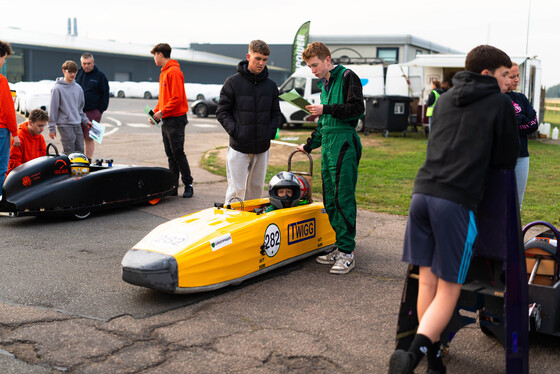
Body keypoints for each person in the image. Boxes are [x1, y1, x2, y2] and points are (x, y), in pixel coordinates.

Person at [388, 45, 519, 374]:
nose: (508, 81)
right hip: (455, 202)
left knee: (427, 285)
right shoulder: (500, 103)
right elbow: (506, 158)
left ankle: (434, 362)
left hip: (422, 194)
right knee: (449, 289)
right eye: (505, 75)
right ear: (487, 74)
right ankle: (413, 357)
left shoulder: (444, 98)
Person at [296, 41, 364, 275]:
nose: (313, 70)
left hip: (344, 142)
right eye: (310, 67)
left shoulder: (347, 76)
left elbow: (356, 109)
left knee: (342, 196)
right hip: (328, 145)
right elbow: (324, 124)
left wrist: (326, 109)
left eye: (315, 65)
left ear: (327, 59)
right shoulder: (324, 84)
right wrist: (308, 145)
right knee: (330, 199)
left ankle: (348, 253)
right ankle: (340, 245)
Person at [216, 40, 281, 205]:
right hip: (239, 147)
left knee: (256, 189)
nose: (261, 63)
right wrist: (237, 131)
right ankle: (230, 223)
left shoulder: (271, 86)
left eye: (265, 60)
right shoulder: (232, 82)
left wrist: (270, 132)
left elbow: (275, 113)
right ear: (248, 56)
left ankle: (252, 227)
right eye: (257, 58)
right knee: (236, 190)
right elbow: (222, 111)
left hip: (262, 148)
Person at [150, 43, 193, 198]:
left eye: (155, 55)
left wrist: (161, 112)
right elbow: (164, 98)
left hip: (176, 119)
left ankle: (188, 184)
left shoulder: (173, 72)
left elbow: (177, 98)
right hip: (167, 119)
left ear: (160, 54)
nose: (154, 58)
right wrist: (155, 113)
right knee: (170, 153)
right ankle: (173, 186)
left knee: (178, 152)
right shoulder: (163, 73)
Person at [506, 62, 538, 209]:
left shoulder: (521, 98)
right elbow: (503, 125)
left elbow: (534, 124)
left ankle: (514, 232)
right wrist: (522, 119)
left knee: (517, 203)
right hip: (503, 158)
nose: (517, 80)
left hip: (522, 156)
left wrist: (515, 122)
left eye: (518, 75)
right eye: (513, 76)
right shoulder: (496, 99)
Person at [48, 60, 91, 155]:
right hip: (64, 124)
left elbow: (80, 109)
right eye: (70, 72)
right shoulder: (57, 88)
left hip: (77, 124)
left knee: (80, 151)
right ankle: (67, 170)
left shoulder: (78, 88)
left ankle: (79, 170)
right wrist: (51, 128)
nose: (73, 74)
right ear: (64, 71)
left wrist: (85, 120)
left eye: (74, 72)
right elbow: (53, 109)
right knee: (69, 152)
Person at [76, 52, 110, 160]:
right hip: (77, 111)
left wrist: (99, 111)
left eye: (88, 63)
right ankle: (77, 158)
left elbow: (105, 95)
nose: (86, 66)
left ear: (93, 62)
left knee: (90, 137)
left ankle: (88, 159)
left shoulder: (100, 76)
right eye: (84, 63)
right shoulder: (78, 73)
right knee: (77, 137)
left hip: (93, 112)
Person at [0, 40, 20, 189]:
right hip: (1, 130)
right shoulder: (2, 80)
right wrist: (15, 133)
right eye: (4, 58)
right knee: (1, 168)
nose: (4, 62)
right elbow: (8, 110)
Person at [7, 108, 48, 174]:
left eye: (44, 126)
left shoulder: (40, 137)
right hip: (19, 175)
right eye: (40, 126)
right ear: (30, 123)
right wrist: (32, 172)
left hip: (34, 173)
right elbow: (14, 163)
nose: (42, 129)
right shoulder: (19, 136)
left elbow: (44, 158)